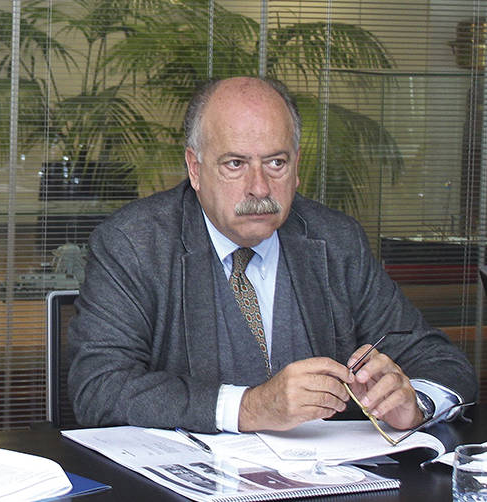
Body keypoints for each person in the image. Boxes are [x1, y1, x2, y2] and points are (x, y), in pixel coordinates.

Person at [68, 76, 476, 434]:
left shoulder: (336, 241)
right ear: (195, 168)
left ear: (297, 167)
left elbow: (443, 364)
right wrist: (250, 407)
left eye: (276, 163)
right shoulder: (135, 243)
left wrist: (414, 403)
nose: (260, 188)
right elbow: (99, 389)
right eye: (235, 164)